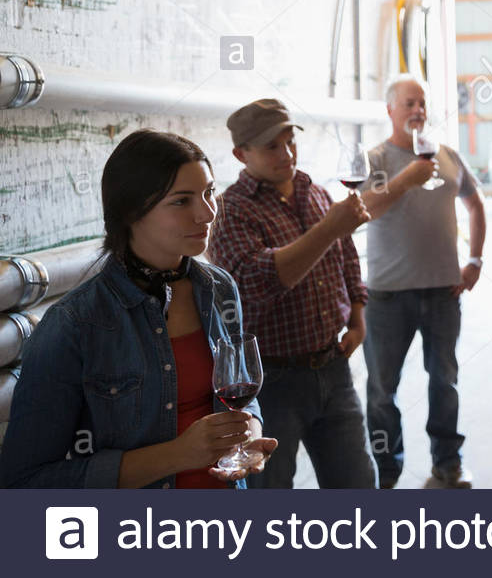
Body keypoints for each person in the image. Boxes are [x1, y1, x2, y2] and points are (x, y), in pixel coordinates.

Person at [1, 129, 276, 488]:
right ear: (132, 211)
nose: (208, 214)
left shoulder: (218, 288)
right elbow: (24, 481)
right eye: (182, 201)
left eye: (209, 193)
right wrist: (179, 454)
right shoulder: (75, 323)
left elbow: (238, 395)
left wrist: (249, 429)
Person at [207, 98, 377, 488]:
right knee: (272, 490)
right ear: (240, 153)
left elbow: (346, 257)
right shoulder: (231, 210)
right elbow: (254, 283)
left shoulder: (313, 191)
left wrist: (358, 315)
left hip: (332, 366)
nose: (286, 153)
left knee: (356, 482)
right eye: (272, 146)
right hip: (274, 379)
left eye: (289, 141)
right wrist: (328, 229)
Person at [360, 75, 487, 489]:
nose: (417, 110)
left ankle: (447, 462)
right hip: (387, 296)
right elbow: (365, 209)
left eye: (422, 104)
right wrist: (407, 179)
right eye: (408, 103)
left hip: (442, 291)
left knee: (444, 380)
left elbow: (475, 203)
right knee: (382, 390)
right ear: (390, 111)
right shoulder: (374, 159)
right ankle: (386, 470)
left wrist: (474, 260)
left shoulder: (446, 155)